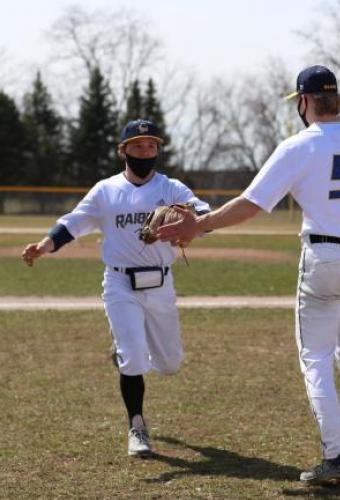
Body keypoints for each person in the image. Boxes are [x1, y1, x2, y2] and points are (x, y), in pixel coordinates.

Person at [155, 65, 340, 485]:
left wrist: (200, 224)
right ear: (337, 101)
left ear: (304, 102)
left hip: (325, 257)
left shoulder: (299, 146)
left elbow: (252, 204)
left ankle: (335, 456)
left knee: (315, 357)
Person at [21, 119, 210, 457]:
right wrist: (44, 245)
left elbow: (204, 214)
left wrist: (191, 222)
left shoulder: (171, 188)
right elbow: (72, 224)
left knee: (169, 364)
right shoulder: (106, 191)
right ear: (123, 151)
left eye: (151, 146)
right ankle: (137, 427)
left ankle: (125, 353)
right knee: (135, 357)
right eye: (137, 146)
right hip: (120, 282)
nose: (145, 152)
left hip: (161, 282)